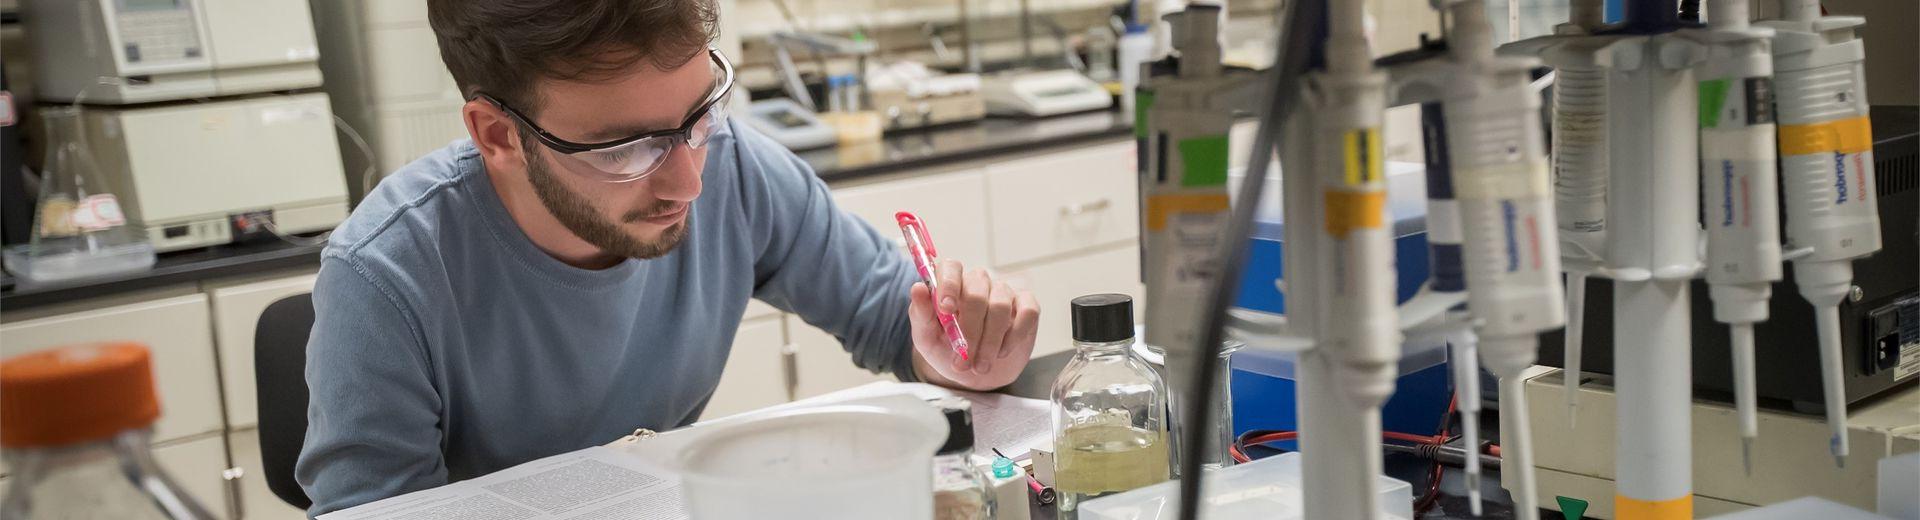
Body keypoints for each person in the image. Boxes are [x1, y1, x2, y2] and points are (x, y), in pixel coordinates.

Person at [294, 0, 1042, 514]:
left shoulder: (739, 170)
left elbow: (894, 323)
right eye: (628, 147)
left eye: (699, 114)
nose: (689, 179)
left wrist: (968, 350)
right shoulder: (386, 278)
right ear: (497, 135)